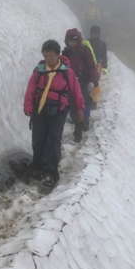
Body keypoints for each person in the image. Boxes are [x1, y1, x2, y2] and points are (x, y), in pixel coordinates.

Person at [24, 39, 84, 188]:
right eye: (45, 55)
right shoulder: (39, 70)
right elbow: (31, 89)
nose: (48, 59)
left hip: (58, 111)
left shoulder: (67, 72)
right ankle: (37, 165)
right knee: (38, 138)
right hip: (40, 109)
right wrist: (28, 106)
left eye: (51, 55)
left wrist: (79, 109)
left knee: (53, 139)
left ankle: (51, 171)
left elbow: (76, 92)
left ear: (58, 55)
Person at [62, 28, 99, 141]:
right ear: (67, 41)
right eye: (70, 41)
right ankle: (76, 120)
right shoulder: (65, 52)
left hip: (83, 80)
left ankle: (84, 122)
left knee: (84, 102)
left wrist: (95, 80)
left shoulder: (84, 50)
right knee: (72, 103)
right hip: (69, 82)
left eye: (74, 40)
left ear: (79, 40)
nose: (72, 43)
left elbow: (91, 66)